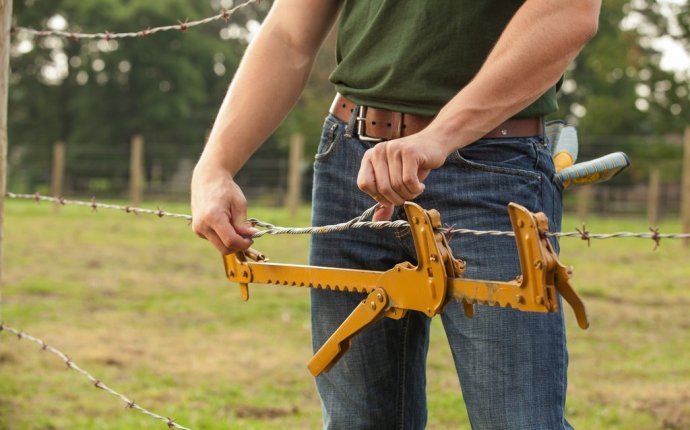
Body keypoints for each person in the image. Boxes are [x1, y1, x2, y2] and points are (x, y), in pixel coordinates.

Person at [191, 1, 601, 428]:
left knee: (518, 422)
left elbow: (568, 12)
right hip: (351, 157)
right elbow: (289, 34)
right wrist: (215, 166)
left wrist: (438, 137)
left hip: (493, 165)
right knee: (356, 422)